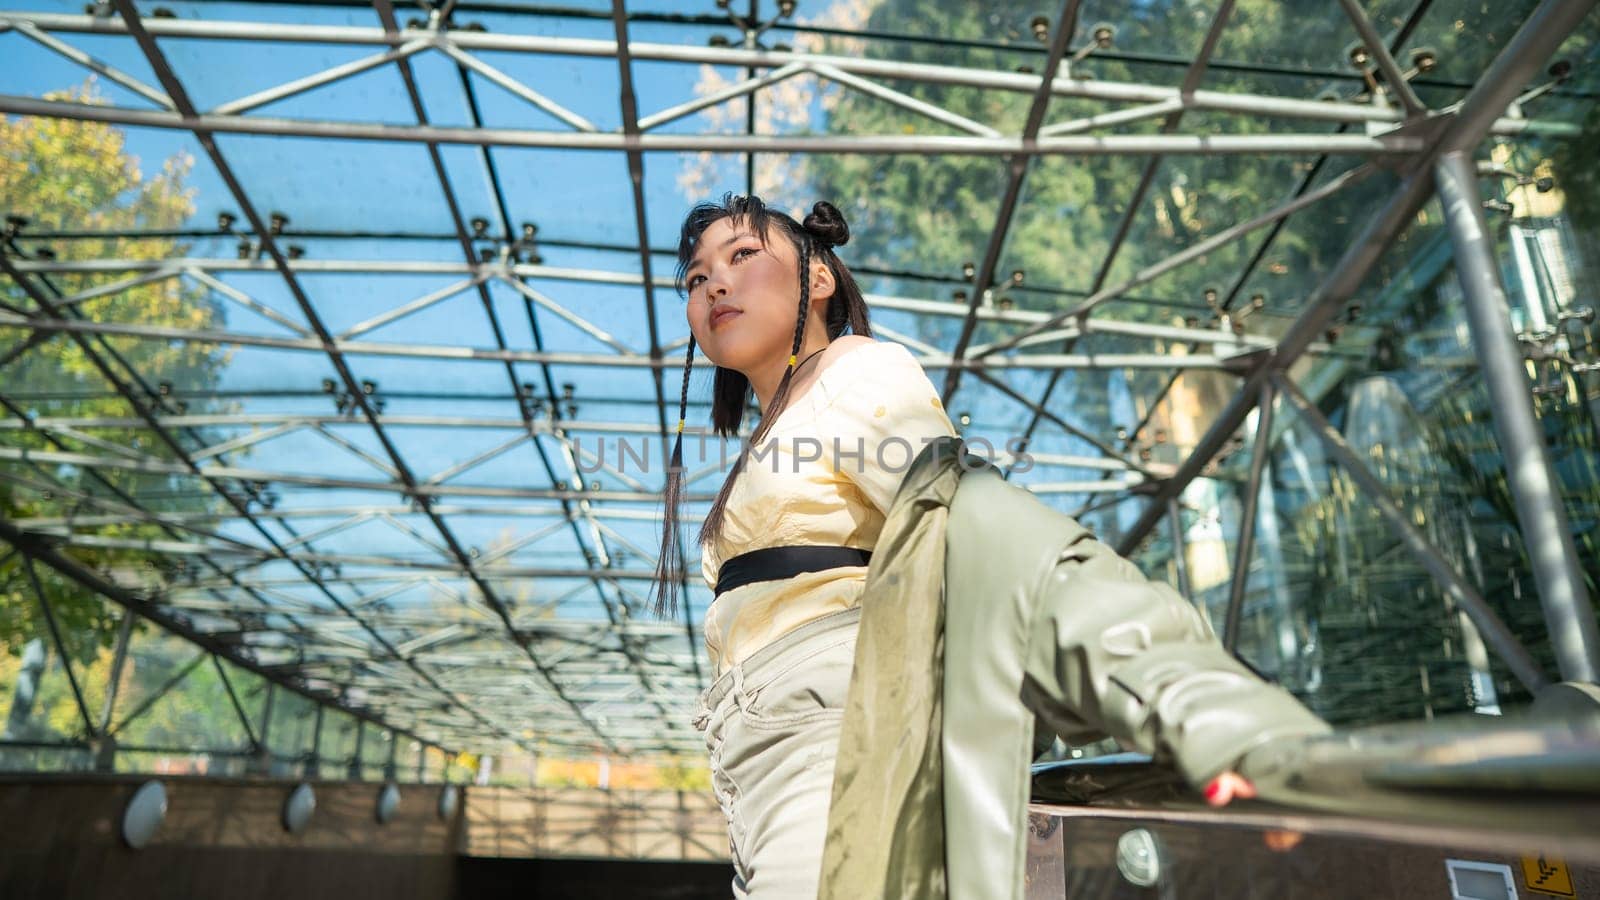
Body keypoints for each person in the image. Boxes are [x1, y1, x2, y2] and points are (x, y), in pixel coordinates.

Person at [653, 194, 1262, 899]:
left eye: (742, 256)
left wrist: (1181, 687)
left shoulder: (852, 371)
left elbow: (967, 521)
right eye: (696, 279)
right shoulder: (777, 425)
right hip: (759, 760)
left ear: (818, 279)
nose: (715, 285)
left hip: (830, 737)